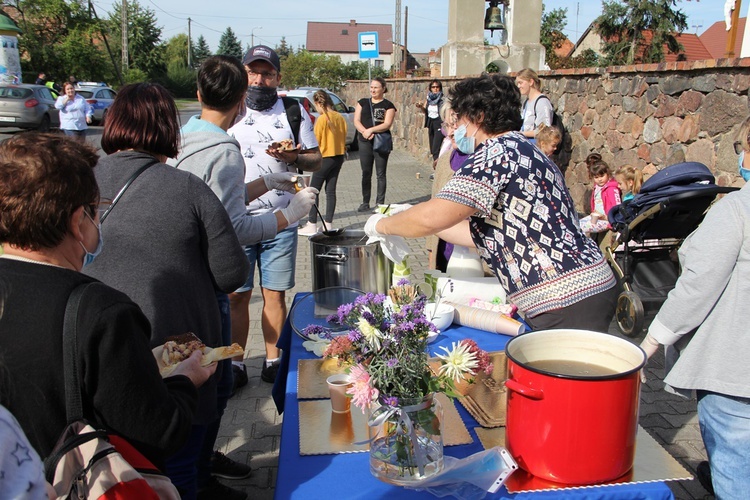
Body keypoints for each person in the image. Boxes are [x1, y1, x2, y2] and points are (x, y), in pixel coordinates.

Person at [0, 132, 214, 475]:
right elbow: (158, 431)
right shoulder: (102, 313)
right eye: (95, 211)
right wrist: (186, 379)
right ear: (76, 222)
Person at [84, 83, 250, 499]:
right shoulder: (187, 188)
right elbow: (231, 273)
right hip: (178, 347)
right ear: (167, 130)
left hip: (101, 350)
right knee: (178, 467)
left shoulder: (79, 182)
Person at [365, 73, 617, 332]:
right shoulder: (528, 150)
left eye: (460, 119)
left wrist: (382, 225)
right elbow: (482, 232)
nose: (457, 128)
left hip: (562, 299)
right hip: (594, 282)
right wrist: (407, 215)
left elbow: (432, 217)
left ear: (479, 117)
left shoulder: (494, 155)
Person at [171, 55, 316, 495]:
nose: (260, 80)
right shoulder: (224, 151)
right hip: (217, 264)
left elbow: (216, 203)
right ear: (239, 99)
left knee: (206, 380)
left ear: (197, 96)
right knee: (209, 389)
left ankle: (199, 465)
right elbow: (230, 225)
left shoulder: (183, 139)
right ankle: (196, 477)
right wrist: (287, 216)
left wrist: (266, 185)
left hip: (188, 270)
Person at [639, 117, 750, 498]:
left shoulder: (736, 210)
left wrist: (649, 344)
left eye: (742, 149)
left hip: (736, 372)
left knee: (736, 470)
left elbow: (697, 286)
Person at [228, 45, 322, 385]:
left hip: (282, 218)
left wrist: (295, 157)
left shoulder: (294, 110)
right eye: (253, 72)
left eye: (267, 73)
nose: (259, 79)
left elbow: (316, 160)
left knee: (274, 294)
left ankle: (272, 360)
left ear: (277, 77)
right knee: (236, 295)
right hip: (236, 220)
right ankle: (235, 363)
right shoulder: (231, 108)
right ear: (243, 73)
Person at [298, 89, 348, 236]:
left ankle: (312, 223)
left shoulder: (321, 119)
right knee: (330, 191)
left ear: (319, 103)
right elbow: (344, 137)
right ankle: (328, 224)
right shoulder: (340, 117)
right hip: (338, 156)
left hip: (324, 157)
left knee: (313, 190)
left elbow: (316, 141)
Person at [354, 76, 397, 212]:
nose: (373, 90)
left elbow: (387, 124)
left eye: (376, 87)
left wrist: (371, 130)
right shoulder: (362, 102)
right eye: (371, 87)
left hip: (381, 142)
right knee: (366, 172)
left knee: (380, 174)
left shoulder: (388, 105)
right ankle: (365, 201)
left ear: (383, 89)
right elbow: (356, 120)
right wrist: (364, 132)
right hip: (364, 141)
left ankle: (380, 204)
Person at [579, 153, 621, 236]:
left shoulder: (611, 189)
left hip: (607, 221)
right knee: (576, 224)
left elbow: (617, 207)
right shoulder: (597, 187)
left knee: (582, 227)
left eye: (602, 176)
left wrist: (607, 217)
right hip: (597, 218)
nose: (599, 180)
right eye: (596, 177)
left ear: (607, 173)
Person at [515, 68, 553, 141]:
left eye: (521, 83)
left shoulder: (542, 102)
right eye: (518, 83)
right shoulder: (526, 102)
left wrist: (521, 134)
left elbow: (544, 131)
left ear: (531, 82)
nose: (518, 86)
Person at [416, 79, 445, 167]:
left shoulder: (442, 100)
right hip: (431, 123)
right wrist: (421, 107)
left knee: (436, 147)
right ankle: (437, 167)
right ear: (430, 88)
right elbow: (426, 111)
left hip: (439, 123)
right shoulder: (429, 98)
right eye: (433, 87)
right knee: (432, 148)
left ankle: (437, 169)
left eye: (437, 87)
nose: (435, 89)